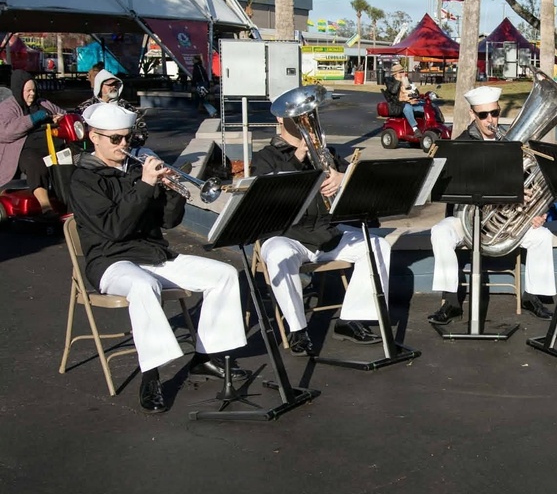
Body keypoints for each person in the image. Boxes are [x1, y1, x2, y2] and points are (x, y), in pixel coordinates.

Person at [70, 103, 248, 413]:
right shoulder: (83, 179)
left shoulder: (138, 170)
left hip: (153, 254)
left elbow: (168, 223)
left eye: (128, 138)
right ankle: (150, 376)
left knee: (225, 274)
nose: (124, 145)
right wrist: (146, 186)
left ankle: (206, 356)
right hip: (111, 260)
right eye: (115, 139)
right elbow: (114, 229)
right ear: (93, 136)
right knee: (142, 286)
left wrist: (172, 191)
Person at [251, 101, 391, 353]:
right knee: (278, 255)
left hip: (327, 233)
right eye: (297, 116)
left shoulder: (327, 152)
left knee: (378, 245)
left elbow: (358, 183)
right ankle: (297, 330)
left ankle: (351, 318)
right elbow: (269, 197)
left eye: (308, 114)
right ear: (280, 120)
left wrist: (342, 177)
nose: (305, 119)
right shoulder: (265, 157)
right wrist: (298, 158)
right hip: (287, 235)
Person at [427, 85, 556, 325]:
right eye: (484, 115)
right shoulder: (462, 145)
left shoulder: (514, 143)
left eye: (494, 113)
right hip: (466, 220)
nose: (491, 120)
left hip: (505, 220)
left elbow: (540, 180)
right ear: (473, 115)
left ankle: (532, 296)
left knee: (543, 236)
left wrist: (538, 211)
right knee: (440, 232)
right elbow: (453, 190)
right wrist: (504, 192)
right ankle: (451, 301)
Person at [0, 70, 67, 214]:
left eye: (34, 90)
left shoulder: (43, 103)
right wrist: (34, 118)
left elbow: (63, 113)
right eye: (28, 90)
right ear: (19, 90)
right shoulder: (7, 107)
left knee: (70, 158)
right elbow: (6, 132)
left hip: (51, 144)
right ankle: (46, 207)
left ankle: (72, 202)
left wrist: (60, 118)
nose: (32, 93)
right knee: (35, 163)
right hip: (22, 150)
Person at [383, 63, 421, 135]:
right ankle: (415, 128)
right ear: (395, 74)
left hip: (411, 101)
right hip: (397, 104)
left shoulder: (407, 80)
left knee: (427, 106)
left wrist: (412, 89)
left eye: (403, 71)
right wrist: (399, 81)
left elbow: (416, 92)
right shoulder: (389, 81)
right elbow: (393, 91)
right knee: (407, 107)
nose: (403, 73)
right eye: (401, 72)